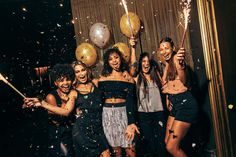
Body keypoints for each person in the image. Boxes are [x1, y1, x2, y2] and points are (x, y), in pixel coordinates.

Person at [23, 62, 111, 157]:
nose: (81, 74)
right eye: (77, 72)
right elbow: (66, 111)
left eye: (83, 70)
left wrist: (126, 73)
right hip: (83, 131)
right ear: (74, 75)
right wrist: (42, 103)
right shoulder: (73, 92)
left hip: (98, 129)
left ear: (87, 70)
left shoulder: (96, 83)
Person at [24, 63, 75, 157]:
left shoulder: (72, 92)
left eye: (68, 79)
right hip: (59, 133)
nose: (65, 83)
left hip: (71, 131)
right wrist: (64, 103)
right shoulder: (51, 97)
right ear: (56, 83)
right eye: (61, 81)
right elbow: (59, 118)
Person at [158, 37, 198, 157]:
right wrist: (167, 98)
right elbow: (169, 86)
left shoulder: (176, 59)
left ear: (173, 48)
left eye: (166, 48)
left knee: (171, 147)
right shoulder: (167, 65)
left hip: (185, 105)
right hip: (176, 106)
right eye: (161, 49)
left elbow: (184, 80)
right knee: (167, 142)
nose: (164, 51)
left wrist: (180, 65)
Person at [129, 38, 168, 157]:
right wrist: (133, 48)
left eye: (148, 61)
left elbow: (165, 85)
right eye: (143, 61)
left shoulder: (155, 75)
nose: (146, 64)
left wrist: (167, 64)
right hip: (144, 116)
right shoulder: (136, 78)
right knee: (150, 146)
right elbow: (133, 66)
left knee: (162, 145)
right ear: (140, 63)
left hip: (159, 114)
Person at [98, 47, 139, 157]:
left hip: (124, 113)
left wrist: (131, 122)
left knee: (130, 150)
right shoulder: (102, 79)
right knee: (117, 152)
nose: (114, 61)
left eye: (116, 57)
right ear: (107, 62)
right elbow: (98, 101)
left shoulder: (128, 77)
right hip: (108, 115)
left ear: (120, 59)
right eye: (111, 59)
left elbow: (131, 101)